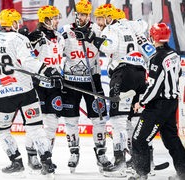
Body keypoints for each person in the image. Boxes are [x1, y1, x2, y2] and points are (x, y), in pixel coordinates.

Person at [77, 3, 156, 177]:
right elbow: (143, 26)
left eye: (101, 18)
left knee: (119, 120)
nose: (98, 22)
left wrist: (92, 39)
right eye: (96, 18)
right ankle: (144, 162)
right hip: (140, 73)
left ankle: (119, 163)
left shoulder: (110, 29)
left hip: (123, 74)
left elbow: (109, 47)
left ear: (110, 17)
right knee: (134, 121)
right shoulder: (129, 25)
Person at [0, 8, 60, 175]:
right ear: (13, 23)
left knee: (0, 129)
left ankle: (16, 160)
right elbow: (28, 62)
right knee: (35, 127)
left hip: (4, 92)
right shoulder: (19, 38)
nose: (19, 24)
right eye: (17, 22)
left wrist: (24, 38)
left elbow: (8, 46)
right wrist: (49, 70)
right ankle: (46, 161)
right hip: (26, 90)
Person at [130, 23, 185, 180]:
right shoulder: (174, 54)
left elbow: (155, 86)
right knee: (171, 138)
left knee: (139, 139)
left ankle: (141, 173)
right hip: (172, 103)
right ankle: (184, 172)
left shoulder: (156, 58)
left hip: (158, 105)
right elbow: (178, 73)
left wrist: (141, 102)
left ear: (153, 37)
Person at [58, 0, 111, 173]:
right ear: (75, 14)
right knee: (71, 120)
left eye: (86, 14)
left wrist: (93, 38)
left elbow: (109, 48)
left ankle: (101, 154)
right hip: (70, 82)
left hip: (92, 81)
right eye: (80, 14)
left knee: (99, 119)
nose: (83, 17)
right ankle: (74, 152)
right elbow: (56, 52)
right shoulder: (66, 31)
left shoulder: (97, 29)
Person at [20, 5, 65, 171]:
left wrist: (62, 74)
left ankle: (47, 157)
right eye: (54, 18)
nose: (57, 20)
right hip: (37, 85)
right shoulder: (35, 36)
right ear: (45, 19)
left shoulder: (60, 37)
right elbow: (25, 59)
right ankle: (32, 157)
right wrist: (22, 38)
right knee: (35, 124)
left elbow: (61, 59)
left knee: (52, 123)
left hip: (54, 86)